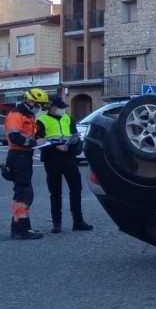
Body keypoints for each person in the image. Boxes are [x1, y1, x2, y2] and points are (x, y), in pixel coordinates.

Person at [36, 94, 93, 233]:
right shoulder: (41, 121)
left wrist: (74, 142)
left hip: (69, 157)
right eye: (60, 107)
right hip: (52, 158)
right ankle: (57, 223)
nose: (63, 110)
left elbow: (74, 135)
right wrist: (55, 147)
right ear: (52, 108)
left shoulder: (67, 118)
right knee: (55, 192)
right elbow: (39, 141)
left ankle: (78, 221)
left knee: (76, 188)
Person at [5, 88, 51, 239]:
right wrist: (34, 142)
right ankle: (20, 229)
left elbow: (29, 134)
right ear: (30, 101)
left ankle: (22, 227)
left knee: (25, 193)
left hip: (24, 156)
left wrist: (40, 138)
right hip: (18, 156)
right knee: (23, 193)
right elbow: (14, 137)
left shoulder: (28, 115)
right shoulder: (16, 115)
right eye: (39, 104)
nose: (40, 108)